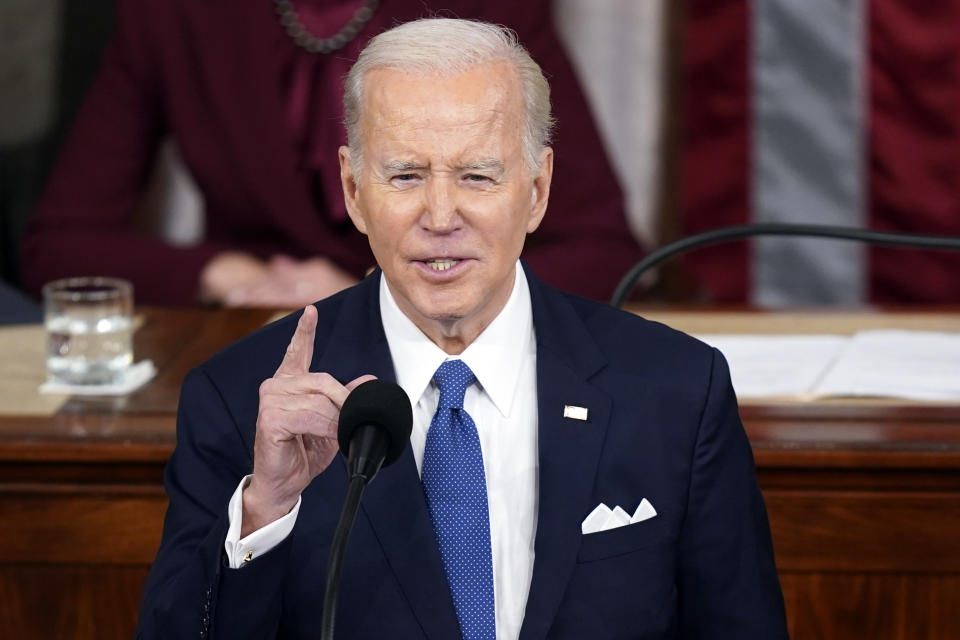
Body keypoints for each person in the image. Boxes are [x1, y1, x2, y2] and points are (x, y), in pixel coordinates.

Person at [136, 18, 788, 639]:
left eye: (477, 175)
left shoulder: (676, 390)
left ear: (536, 190)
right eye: (406, 175)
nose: (441, 215)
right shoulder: (242, 402)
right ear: (355, 189)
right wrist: (266, 510)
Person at [19, 0, 641, 307]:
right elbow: (59, 246)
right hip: (256, 347)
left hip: (445, 340)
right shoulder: (174, 12)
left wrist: (388, 293)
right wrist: (233, 275)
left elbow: (601, 251)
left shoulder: (492, 8)